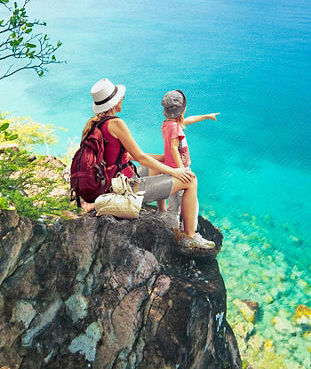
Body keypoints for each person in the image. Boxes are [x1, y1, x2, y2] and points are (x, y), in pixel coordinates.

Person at [81, 78, 216, 250]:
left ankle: (163, 213)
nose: (123, 100)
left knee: (155, 166)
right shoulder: (116, 123)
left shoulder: (95, 126)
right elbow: (141, 157)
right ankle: (189, 237)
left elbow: (130, 156)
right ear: (114, 103)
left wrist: (163, 161)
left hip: (110, 183)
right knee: (190, 180)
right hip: (124, 189)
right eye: (120, 98)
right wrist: (175, 172)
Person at [157, 89, 218, 234]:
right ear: (181, 110)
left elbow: (189, 120)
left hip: (169, 170)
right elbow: (173, 148)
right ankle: (187, 234)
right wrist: (182, 170)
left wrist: (206, 116)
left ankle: (171, 231)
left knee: (173, 207)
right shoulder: (175, 127)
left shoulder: (168, 124)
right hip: (179, 172)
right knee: (191, 207)